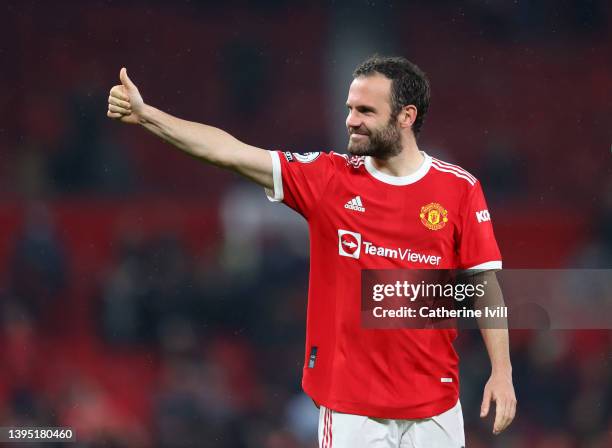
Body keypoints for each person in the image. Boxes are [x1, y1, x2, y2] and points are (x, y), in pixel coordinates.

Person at [107, 55, 516, 447]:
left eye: (366, 111)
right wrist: (149, 116)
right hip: (352, 408)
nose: (350, 120)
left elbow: (483, 282)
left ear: (406, 117)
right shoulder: (328, 180)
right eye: (349, 107)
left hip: (436, 406)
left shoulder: (458, 189)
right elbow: (228, 151)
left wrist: (502, 372)